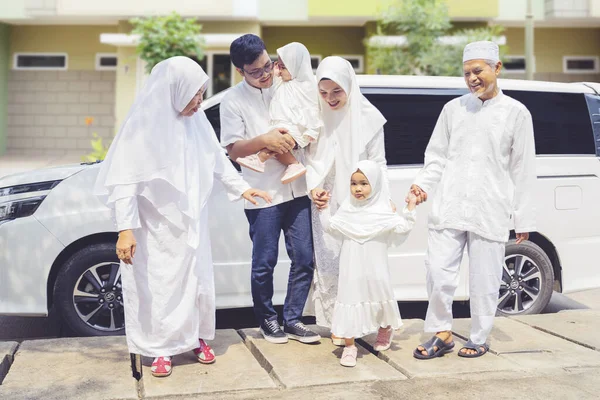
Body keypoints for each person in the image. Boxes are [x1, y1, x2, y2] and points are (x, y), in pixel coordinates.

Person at [94, 56, 271, 377]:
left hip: (192, 224)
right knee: (160, 287)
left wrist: (243, 188)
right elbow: (125, 181)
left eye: (202, 94)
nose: (199, 102)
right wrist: (125, 230)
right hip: (155, 228)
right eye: (195, 95)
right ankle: (160, 349)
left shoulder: (196, 121)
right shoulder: (142, 127)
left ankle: (197, 339)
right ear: (174, 90)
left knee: (197, 284)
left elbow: (216, 160)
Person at [411, 41, 536, 359]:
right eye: (466, 73)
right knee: (437, 272)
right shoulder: (453, 110)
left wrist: (523, 218)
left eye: (477, 71)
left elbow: (523, 169)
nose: (471, 78)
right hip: (449, 204)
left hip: (489, 207)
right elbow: (435, 156)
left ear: (497, 68)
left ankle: (479, 336)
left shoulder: (516, 113)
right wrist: (423, 186)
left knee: (484, 280)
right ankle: (442, 333)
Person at [220, 34, 321, 344]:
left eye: (267, 66)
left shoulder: (286, 82)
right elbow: (234, 150)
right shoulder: (232, 100)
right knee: (264, 262)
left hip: (298, 188)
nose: (265, 74)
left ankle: (293, 319)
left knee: (304, 257)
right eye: (256, 71)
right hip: (262, 193)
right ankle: (267, 320)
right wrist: (264, 141)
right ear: (240, 71)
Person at [305, 56, 389, 346]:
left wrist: (381, 202)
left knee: (364, 268)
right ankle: (339, 327)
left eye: (336, 91)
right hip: (325, 204)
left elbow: (379, 163)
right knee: (330, 267)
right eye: (323, 92)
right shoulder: (314, 117)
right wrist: (312, 188)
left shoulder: (368, 117)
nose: (329, 99)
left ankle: (378, 323)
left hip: (360, 203)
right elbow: (308, 159)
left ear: (350, 86)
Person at [321, 160, 417, 367]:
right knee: (349, 295)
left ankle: (384, 328)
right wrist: (324, 209)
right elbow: (330, 227)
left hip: (375, 263)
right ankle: (349, 345)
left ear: (375, 184)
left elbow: (401, 228)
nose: (358, 188)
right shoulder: (348, 209)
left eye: (364, 183)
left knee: (378, 291)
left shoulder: (383, 210)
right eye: (354, 183)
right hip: (351, 263)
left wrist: (410, 208)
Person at [235, 42, 322, 184]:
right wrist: (275, 73)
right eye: (277, 66)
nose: (279, 71)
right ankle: (284, 163)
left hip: (299, 131)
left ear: (295, 66)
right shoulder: (285, 82)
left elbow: (311, 111)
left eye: (283, 67)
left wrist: (310, 132)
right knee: (274, 139)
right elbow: (275, 86)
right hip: (285, 127)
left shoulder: (307, 87)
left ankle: (267, 160)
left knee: (275, 141)